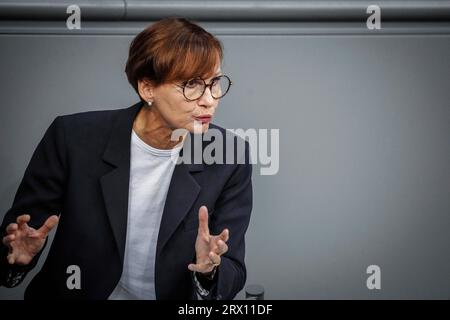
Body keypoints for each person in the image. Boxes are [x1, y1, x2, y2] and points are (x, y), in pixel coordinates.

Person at [0, 17, 252, 300]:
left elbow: (233, 270)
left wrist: (209, 271)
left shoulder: (230, 155)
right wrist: (17, 256)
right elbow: (17, 240)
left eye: (215, 82)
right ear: (147, 89)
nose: (210, 99)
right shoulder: (72, 138)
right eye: (192, 84)